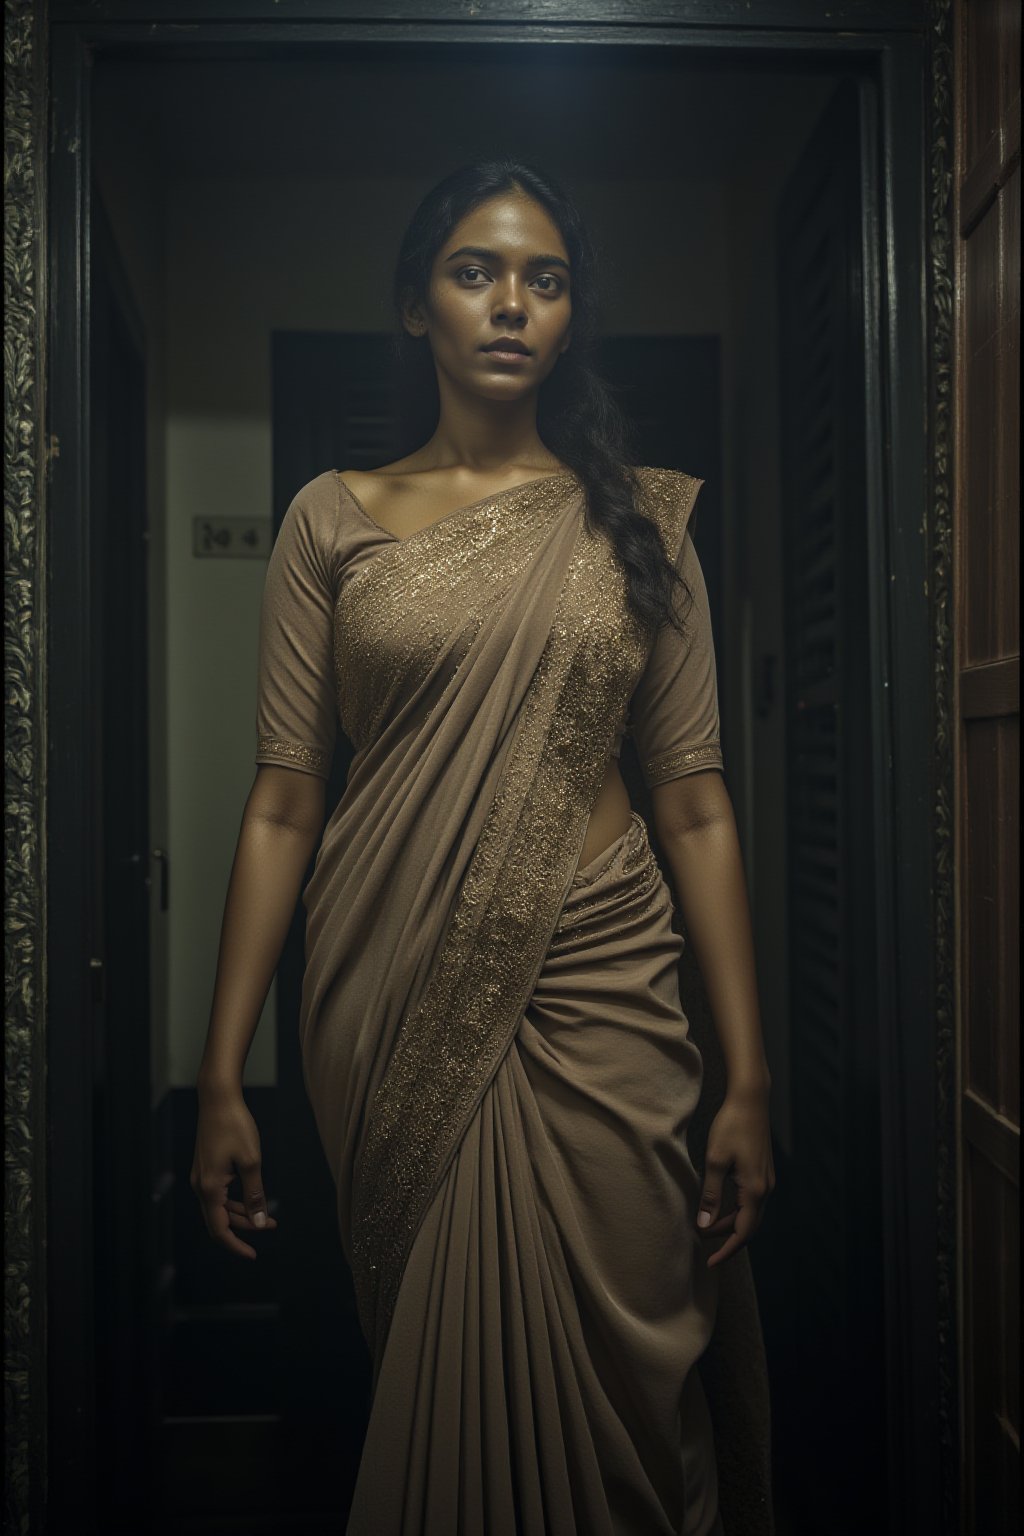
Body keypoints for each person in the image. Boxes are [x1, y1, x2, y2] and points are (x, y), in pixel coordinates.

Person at [191, 158, 776, 1536]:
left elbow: (695, 804)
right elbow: (284, 801)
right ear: (417, 307)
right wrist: (223, 1072)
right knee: (446, 1363)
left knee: (630, 1371)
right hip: (389, 990)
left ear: (571, 317)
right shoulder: (331, 520)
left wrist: (749, 1075)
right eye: (475, 271)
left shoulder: (643, 526)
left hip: (606, 995)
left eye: (545, 278)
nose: (511, 302)